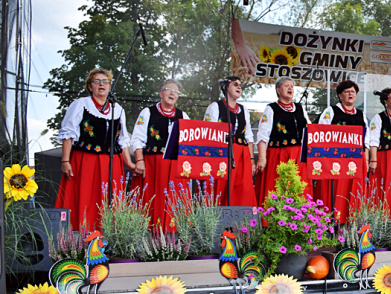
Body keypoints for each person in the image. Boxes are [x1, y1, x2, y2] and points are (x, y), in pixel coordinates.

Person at [56, 68, 136, 231]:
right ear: (90, 86)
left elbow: (123, 140)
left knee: (110, 198)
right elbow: (68, 134)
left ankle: (108, 235)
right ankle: (81, 236)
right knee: (86, 196)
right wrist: (65, 161)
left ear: (109, 86)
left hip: (111, 163)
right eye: (97, 81)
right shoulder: (80, 105)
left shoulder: (118, 109)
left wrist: (129, 163)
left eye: (105, 81)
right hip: (86, 159)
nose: (101, 84)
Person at [130, 79, 190, 230]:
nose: (172, 93)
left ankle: (173, 234)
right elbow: (137, 138)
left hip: (175, 167)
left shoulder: (184, 116)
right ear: (161, 93)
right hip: (152, 164)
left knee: (174, 200)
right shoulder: (148, 112)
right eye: (169, 90)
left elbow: (190, 142)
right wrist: (139, 160)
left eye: (176, 92)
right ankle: (148, 234)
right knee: (152, 197)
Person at [314, 79, 368, 223]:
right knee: (337, 192)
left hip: (357, 159)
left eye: (353, 91)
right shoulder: (331, 111)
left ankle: (352, 223)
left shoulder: (361, 114)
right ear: (340, 95)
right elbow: (321, 133)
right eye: (347, 91)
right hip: (336, 159)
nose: (351, 94)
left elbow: (366, 140)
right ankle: (333, 223)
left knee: (354, 192)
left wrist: (367, 160)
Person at [256, 76, 312, 204]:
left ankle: (299, 218)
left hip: (299, 155)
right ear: (278, 90)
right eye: (286, 86)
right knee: (279, 186)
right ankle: (275, 219)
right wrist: (262, 158)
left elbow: (310, 129)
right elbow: (263, 135)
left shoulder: (300, 108)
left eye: (292, 86)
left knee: (300, 187)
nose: (290, 88)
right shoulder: (271, 109)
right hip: (279, 155)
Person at [204, 76, 256, 206]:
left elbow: (249, 136)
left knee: (243, 187)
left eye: (240, 85)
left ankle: (242, 224)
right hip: (223, 153)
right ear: (225, 87)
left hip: (242, 154)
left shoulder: (244, 110)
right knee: (222, 187)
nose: (239, 87)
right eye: (235, 84)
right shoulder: (215, 107)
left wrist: (251, 160)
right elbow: (208, 134)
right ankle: (218, 223)